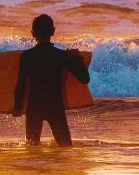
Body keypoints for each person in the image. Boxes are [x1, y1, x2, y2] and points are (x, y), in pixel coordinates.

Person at [10, 14, 90, 146]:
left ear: (33, 33)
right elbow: (84, 78)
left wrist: (17, 107)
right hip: (55, 106)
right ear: (53, 31)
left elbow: (21, 83)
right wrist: (77, 58)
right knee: (65, 147)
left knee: (32, 148)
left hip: (34, 107)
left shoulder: (27, 56)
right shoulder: (62, 56)